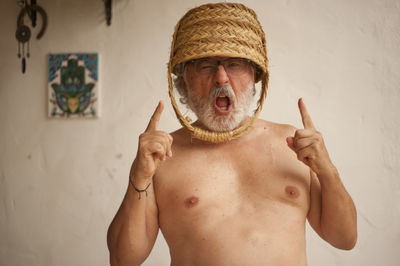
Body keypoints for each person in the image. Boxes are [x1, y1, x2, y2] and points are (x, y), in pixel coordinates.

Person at [107, 3, 357, 266]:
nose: (221, 78)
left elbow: (344, 238)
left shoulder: (294, 145)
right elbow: (123, 260)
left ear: (255, 75)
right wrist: (139, 175)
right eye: (206, 66)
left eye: (235, 64)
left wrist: (327, 170)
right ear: (183, 81)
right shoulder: (162, 156)